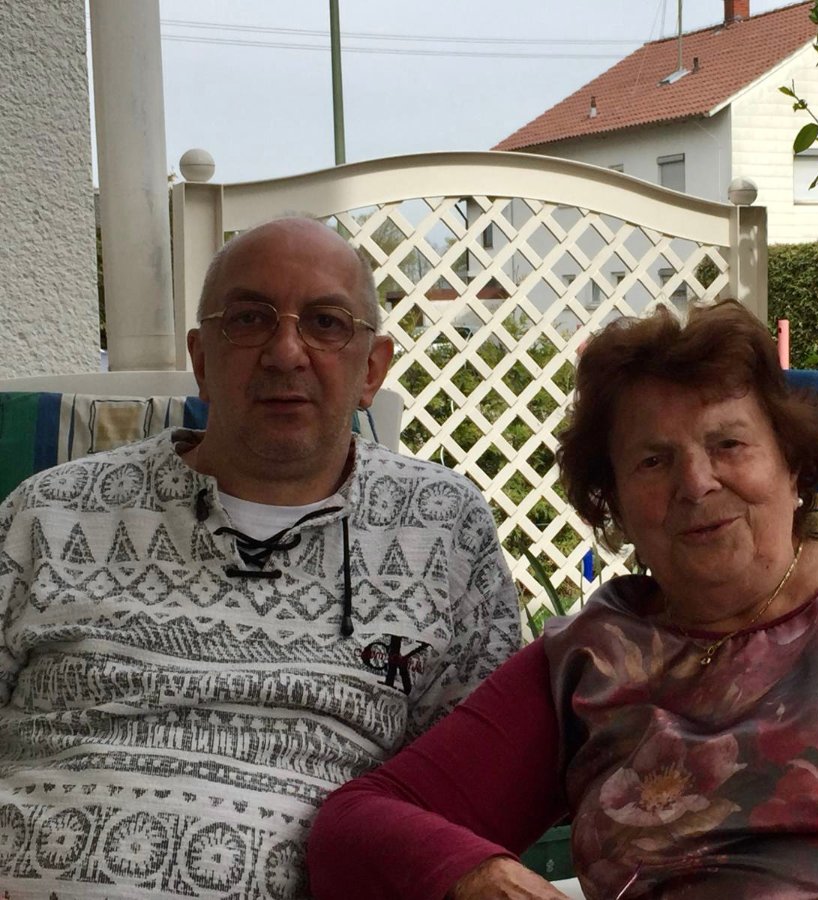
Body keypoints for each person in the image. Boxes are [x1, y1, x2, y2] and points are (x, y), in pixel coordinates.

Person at [306, 298, 818, 900]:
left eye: (729, 444)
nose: (697, 483)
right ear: (615, 507)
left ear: (793, 467)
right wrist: (480, 876)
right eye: (652, 462)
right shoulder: (588, 659)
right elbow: (356, 825)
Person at [0, 216, 520, 898]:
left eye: (327, 323)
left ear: (372, 369)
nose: (285, 352)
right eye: (248, 319)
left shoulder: (442, 526)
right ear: (202, 360)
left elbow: (474, 780)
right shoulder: (49, 512)